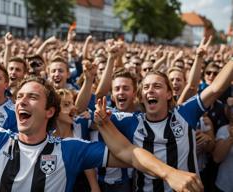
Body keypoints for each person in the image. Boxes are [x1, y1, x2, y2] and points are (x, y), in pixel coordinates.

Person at [0, 41, 203, 192]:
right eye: (19, 96)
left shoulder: (68, 149)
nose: (21, 101)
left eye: (32, 96)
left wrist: (168, 173)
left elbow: (128, 152)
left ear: (50, 111)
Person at [95, 56, 233, 191]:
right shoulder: (130, 121)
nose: (150, 90)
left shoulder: (185, 113)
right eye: (146, 87)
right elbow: (89, 110)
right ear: (141, 98)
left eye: (157, 86)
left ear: (169, 94)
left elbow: (216, 88)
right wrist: (100, 117)